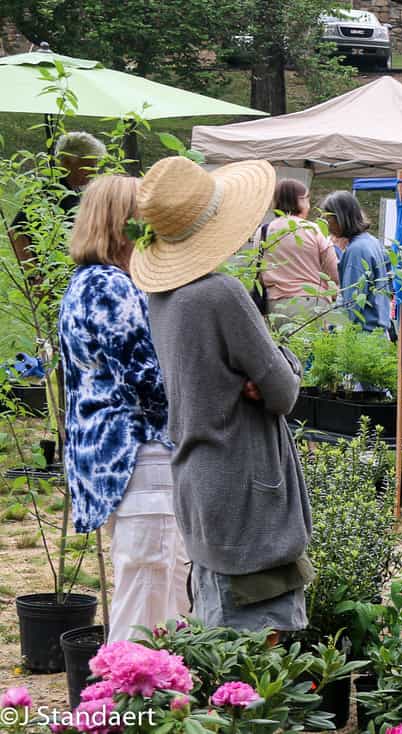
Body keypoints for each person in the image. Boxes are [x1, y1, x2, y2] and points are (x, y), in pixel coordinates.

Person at [133, 156, 313, 633]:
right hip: (246, 487)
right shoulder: (220, 294)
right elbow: (282, 391)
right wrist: (283, 363)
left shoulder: (163, 299)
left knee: (217, 629)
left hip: (200, 481)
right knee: (262, 653)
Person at [58, 175, 188, 644]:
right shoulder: (110, 287)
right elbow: (148, 381)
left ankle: (159, 700)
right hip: (139, 452)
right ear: (123, 224)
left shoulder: (85, 283)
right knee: (149, 591)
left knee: (160, 588)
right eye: (146, 218)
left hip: (116, 456)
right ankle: (125, 706)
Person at [8, 131, 107, 267]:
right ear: (66, 162)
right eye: (89, 165)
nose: (94, 171)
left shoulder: (76, 192)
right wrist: (34, 275)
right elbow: (17, 232)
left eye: (96, 165)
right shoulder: (49, 193)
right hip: (52, 279)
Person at [259, 179, 340, 323]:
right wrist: (333, 293)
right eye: (307, 199)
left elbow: (258, 272)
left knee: (279, 345)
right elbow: (333, 269)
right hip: (311, 302)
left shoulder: (263, 231)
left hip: (275, 306)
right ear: (299, 201)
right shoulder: (313, 229)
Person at [322, 191, 391, 333]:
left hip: (362, 332)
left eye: (329, 220)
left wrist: (334, 332)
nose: (328, 225)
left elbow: (351, 303)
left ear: (341, 218)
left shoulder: (356, 250)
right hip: (378, 329)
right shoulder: (372, 242)